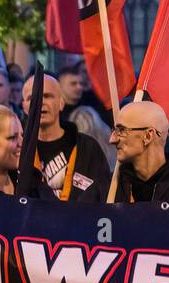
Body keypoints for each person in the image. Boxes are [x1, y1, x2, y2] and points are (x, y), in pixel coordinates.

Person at [20, 72, 110, 203]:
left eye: (47, 96)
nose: (40, 102)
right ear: (24, 107)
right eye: (32, 98)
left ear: (61, 103)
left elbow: (104, 195)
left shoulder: (88, 148)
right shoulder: (18, 150)